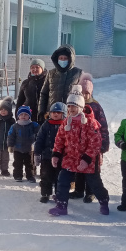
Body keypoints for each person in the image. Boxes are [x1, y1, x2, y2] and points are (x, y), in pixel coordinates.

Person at [48, 87, 108, 216]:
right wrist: (56, 154)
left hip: (88, 160)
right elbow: (59, 139)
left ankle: (103, 200)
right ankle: (61, 205)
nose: (70, 109)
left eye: (73, 106)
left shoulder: (90, 123)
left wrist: (86, 159)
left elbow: (95, 143)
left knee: (94, 184)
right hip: (70, 157)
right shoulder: (66, 123)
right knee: (63, 180)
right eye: (69, 106)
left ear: (80, 107)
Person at [70, 73, 110, 203]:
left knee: (92, 170)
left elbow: (103, 126)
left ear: (91, 93)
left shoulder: (96, 107)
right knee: (79, 168)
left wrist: (103, 144)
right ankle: (78, 190)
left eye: (87, 93)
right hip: (78, 145)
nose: (85, 96)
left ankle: (90, 192)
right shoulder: (75, 106)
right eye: (83, 93)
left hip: (93, 144)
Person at [37, 45, 82, 121]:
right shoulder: (51, 73)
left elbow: (83, 96)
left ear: (71, 59)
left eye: (65, 58)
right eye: (61, 58)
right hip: (53, 114)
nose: (63, 60)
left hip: (71, 115)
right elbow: (44, 94)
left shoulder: (78, 73)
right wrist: (41, 112)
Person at [34, 102, 66, 203]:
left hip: (61, 157)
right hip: (47, 156)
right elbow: (39, 139)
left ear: (63, 113)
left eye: (58, 112)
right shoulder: (46, 125)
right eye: (53, 112)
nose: (55, 114)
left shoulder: (66, 125)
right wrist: (37, 153)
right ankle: (45, 194)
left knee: (59, 178)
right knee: (46, 176)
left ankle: (58, 194)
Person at [7, 105, 39, 182]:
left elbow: (39, 133)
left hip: (29, 149)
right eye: (21, 114)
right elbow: (11, 136)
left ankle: (30, 176)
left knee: (30, 164)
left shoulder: (33, 125)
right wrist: (10, 145)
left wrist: (36, 143)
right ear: (18, 116)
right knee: (17, 163)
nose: (23, 116)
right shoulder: (15, 126)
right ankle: (18, 175)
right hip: (17, 149)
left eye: (26, 115)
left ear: (29, 116)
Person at [16, 59, 46, 123]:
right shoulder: (26, 83)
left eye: (37, 67)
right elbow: (20, 101)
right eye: (32, 67)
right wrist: (17, 115)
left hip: (44, 117)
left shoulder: (47, 82)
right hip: (28, 117)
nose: (34, 69)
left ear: (42, 69)